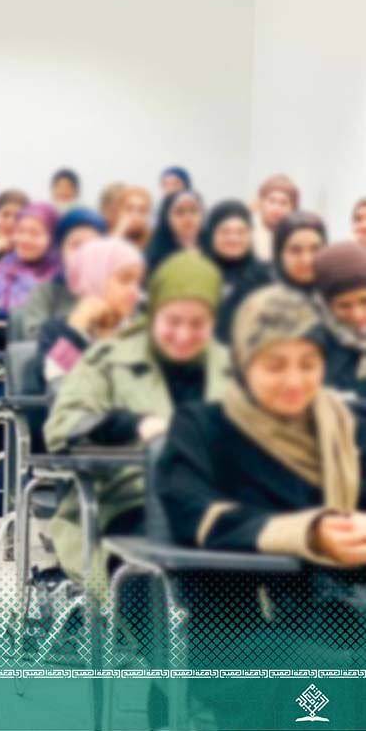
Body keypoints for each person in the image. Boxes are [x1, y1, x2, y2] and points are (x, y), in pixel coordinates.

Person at [157, 285, 365, 681]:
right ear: (243, 363)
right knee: (331, 679)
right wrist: (308, 534)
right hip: (242, 625)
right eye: (275, 366)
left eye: (309, 364)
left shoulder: (348, 426)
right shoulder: (202, 429)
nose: (294, 381)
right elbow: (191, 511)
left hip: (347, 609)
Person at [43, 250, 232, 583]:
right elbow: (63, 425)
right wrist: (131, 425)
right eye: (173, 322)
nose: (184, 335)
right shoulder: (109, 358)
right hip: (129, 501)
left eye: (197, 324)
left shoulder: (234, 368)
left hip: (220, 503)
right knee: (180, 566)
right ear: (154, 313)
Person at [36, 236, 144, 387]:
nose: (135, 292)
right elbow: (60, 389)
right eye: (125, 280)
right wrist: (76, 329)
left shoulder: (142, 332)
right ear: (95, 279)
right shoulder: (55, 332)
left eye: (138, 282)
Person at [9, 206, 106, 342]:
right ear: (61, 250)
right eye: (76, 245)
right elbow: (38, 344)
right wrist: (77, 325)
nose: (84, 253)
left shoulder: (115, 291)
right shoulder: (46, 292)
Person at [200, 199, 274, 342]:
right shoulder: (197, 274)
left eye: (241, 232)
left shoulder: (266, 277)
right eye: (225, 232)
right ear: (211, 234)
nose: (233, 238)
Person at [313, 242, 366, 397]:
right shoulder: (317, 346)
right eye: (344, 306)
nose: (357, 314)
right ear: (326, 305)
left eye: (364, 301)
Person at [144, 189, 203, 272]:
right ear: (166, 217)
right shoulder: (155, 256)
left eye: (193, 211)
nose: (188, 217)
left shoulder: (211, 250)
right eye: (180, 212)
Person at [272, 210, 328, 296]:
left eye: (315, 249)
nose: (307, 260)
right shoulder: (265, 302)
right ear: (280, 255)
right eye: (296, 250)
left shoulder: (338, 297)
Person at [252, 174, 299, 262]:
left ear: (293, 208)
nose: (276, 208)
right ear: (261, 203)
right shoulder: (247, 232)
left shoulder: (297, 235)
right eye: (272, 201)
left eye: (284, 203)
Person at [101, 183, 153, 249]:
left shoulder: (154, 241)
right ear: (118, 211)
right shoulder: (102, 236)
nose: (135, 215)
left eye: (142, 210)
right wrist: (119, 233)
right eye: (129, 209)